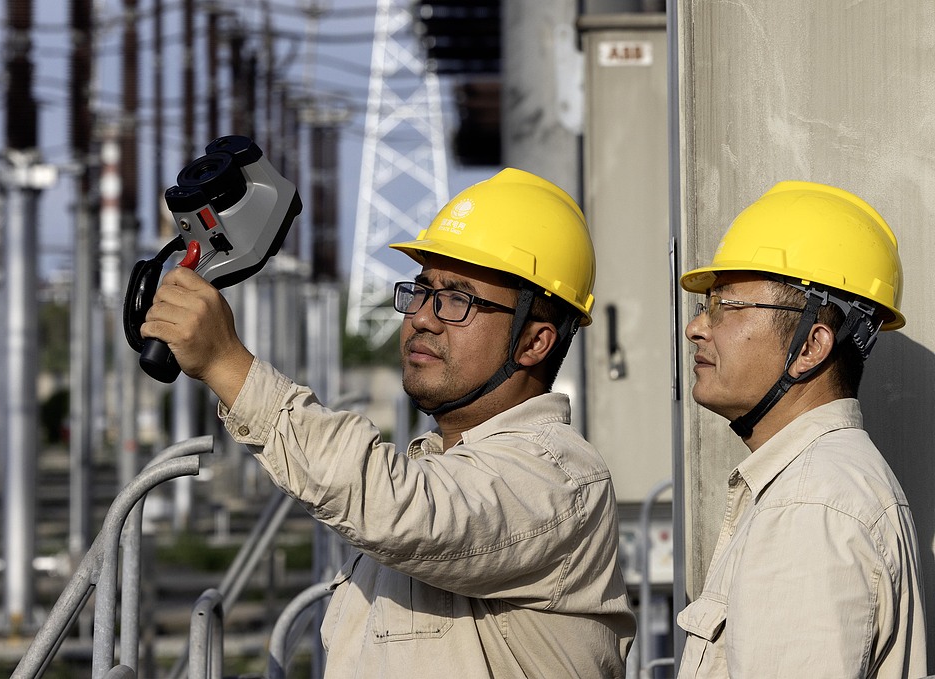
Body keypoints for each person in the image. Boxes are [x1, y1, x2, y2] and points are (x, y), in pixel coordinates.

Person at [142, 168, 636, 678]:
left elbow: (394, 508)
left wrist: (228, 365)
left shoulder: (556, 476)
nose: (422, 316)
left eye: (458, 300)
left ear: (535, 342)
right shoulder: (440, 469)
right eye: (422, 291)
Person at [676, 181, 928, 678]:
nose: (697, 327)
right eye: (707, 305)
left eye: (727, 306)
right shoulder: (819, 485)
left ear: (811, 346)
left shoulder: (810, 507)